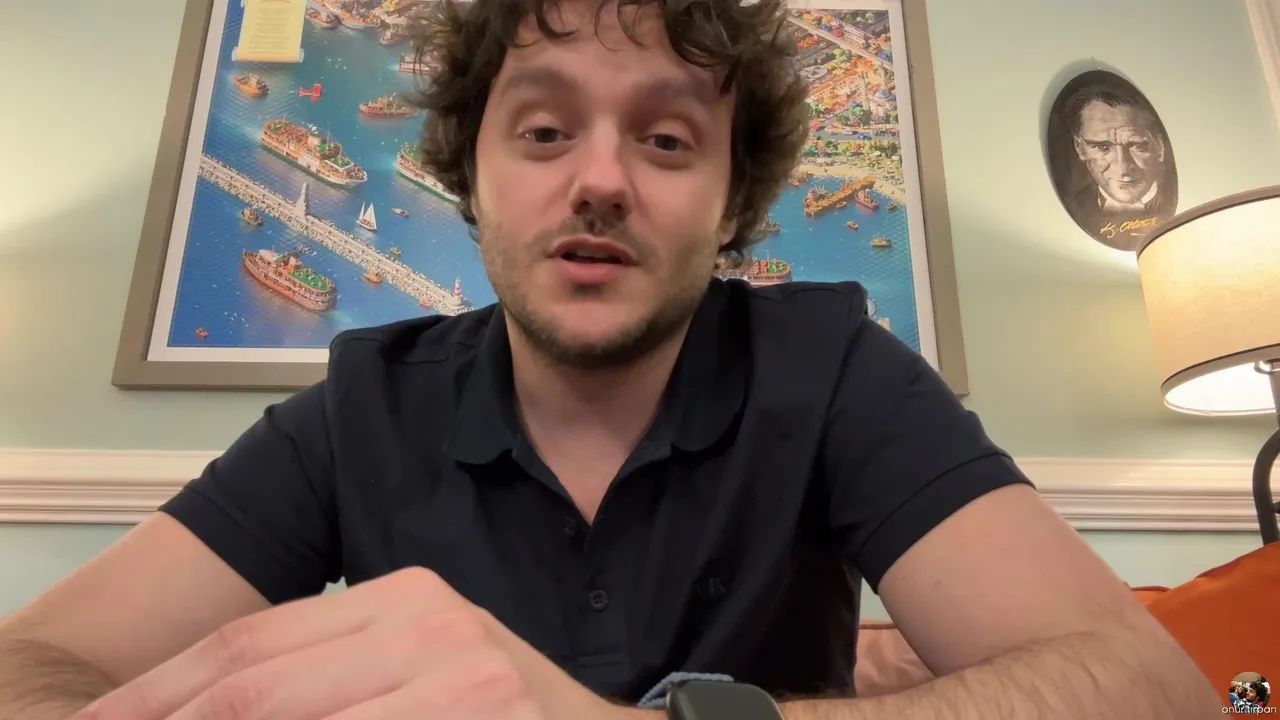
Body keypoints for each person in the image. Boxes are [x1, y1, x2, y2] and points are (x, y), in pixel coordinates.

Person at [0, 0, 1217, 718]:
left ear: (731, 205)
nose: (598, 178)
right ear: (469, 177)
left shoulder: (831, 368)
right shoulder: (362, 404)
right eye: (541, 130)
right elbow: (29, 668)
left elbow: (1149, 691)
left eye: (667, 140)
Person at [1057, 82, 1176, 251]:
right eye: (1102, 147)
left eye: (1137, 146)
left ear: (1159, 147)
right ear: (1079, 148)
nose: (1123, 168)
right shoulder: (1071, 211)